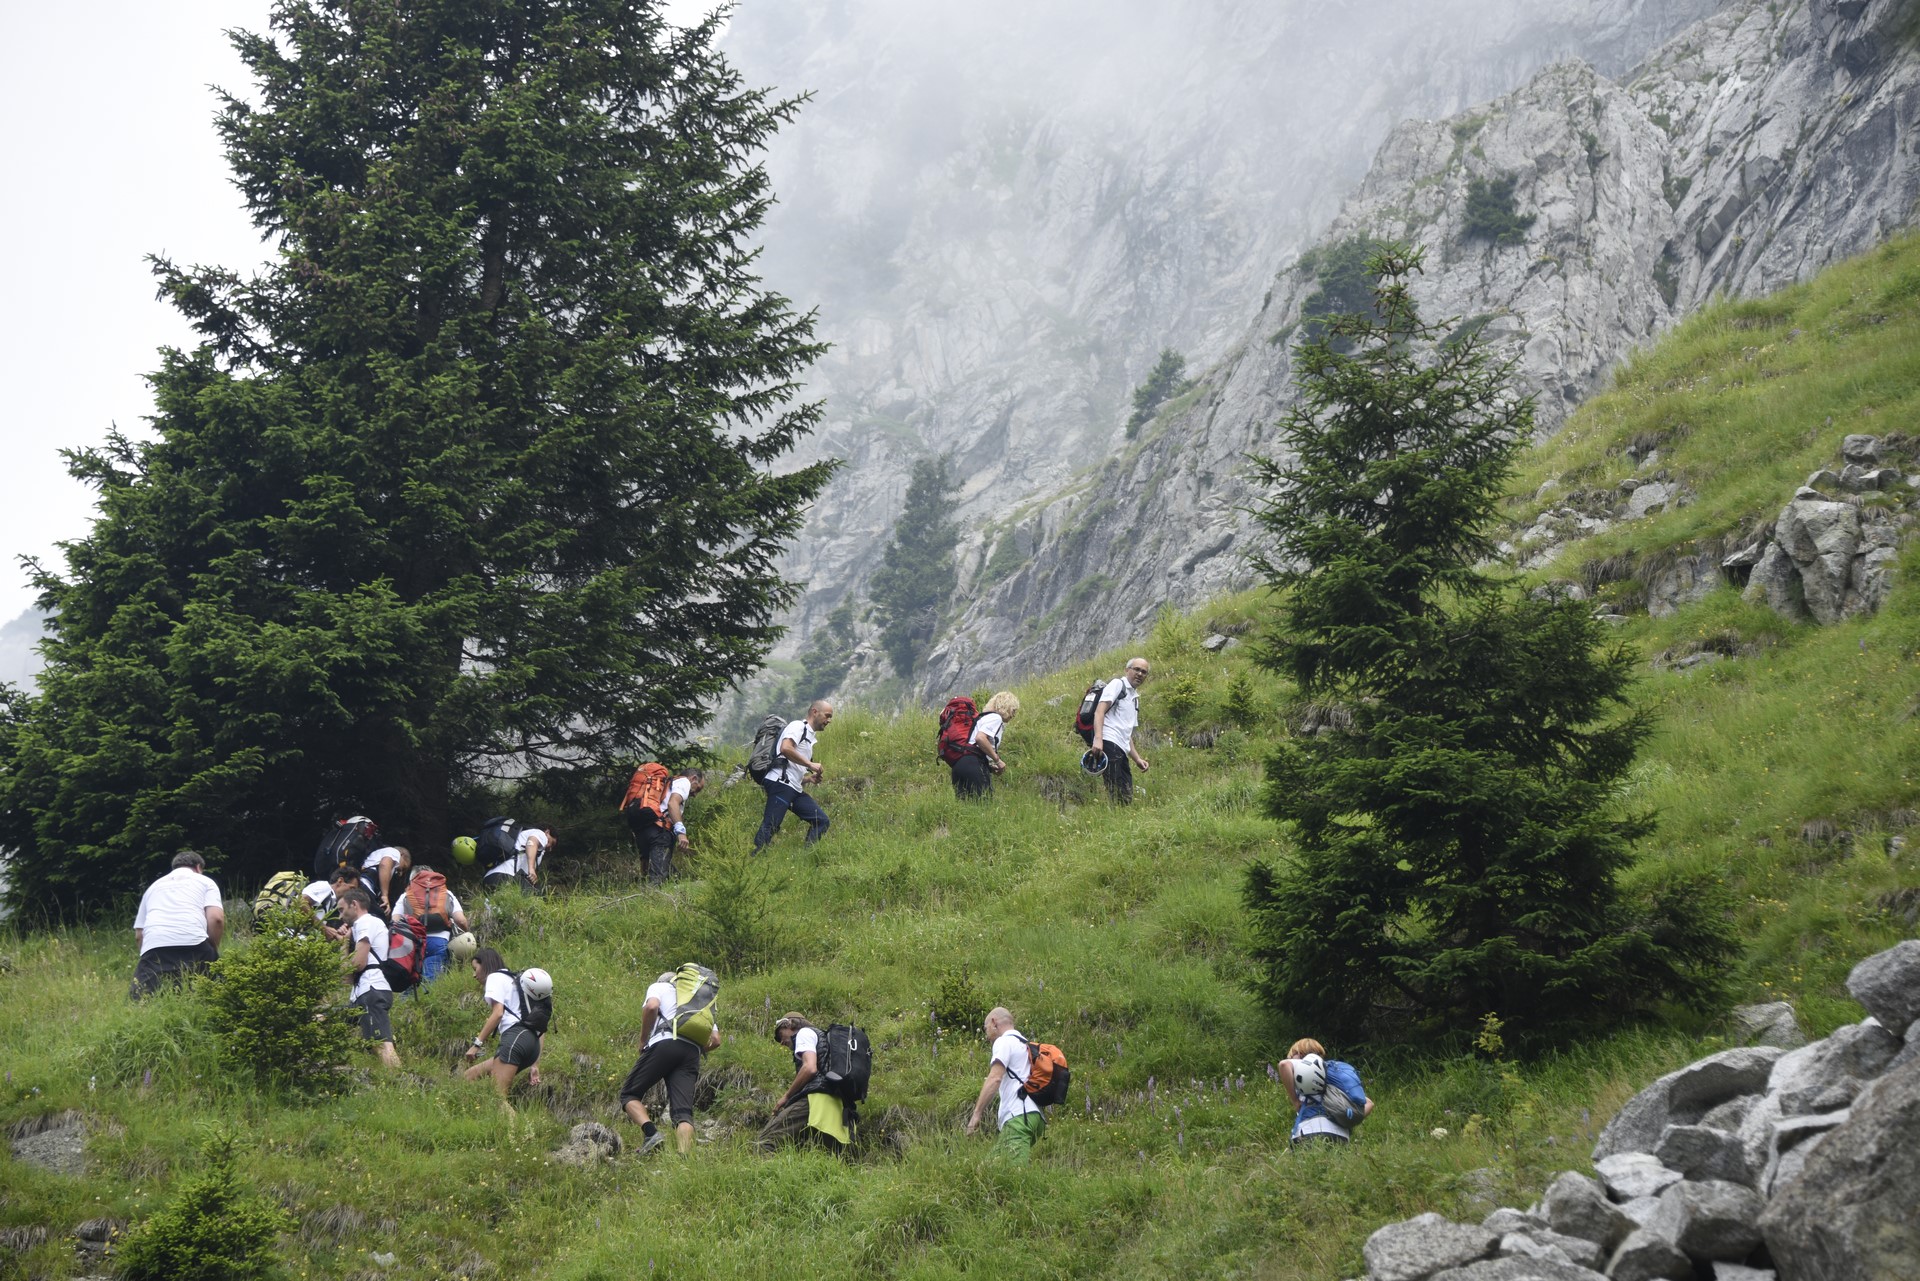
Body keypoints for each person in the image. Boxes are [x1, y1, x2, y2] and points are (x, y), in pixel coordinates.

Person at [618, 969, 722, 1157]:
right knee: (683, 1111)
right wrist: (695, 1050)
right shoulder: (698, 1002)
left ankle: (651, 1134)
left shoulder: (660, 987)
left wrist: (643, 1041)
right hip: (692, 1052)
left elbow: (651, 1007)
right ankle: (684, 1157)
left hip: (665, 1043)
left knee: (629, 1094)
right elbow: (716, 1040)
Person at [130, 850, 225, 999]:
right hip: (195, 942)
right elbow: (216, 918)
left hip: (154, 946)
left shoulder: (152, 887)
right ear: (199, 867)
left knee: (142, 1000)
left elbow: (139, 935)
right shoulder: (205, 881)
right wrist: (212, 949)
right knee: (212, 995)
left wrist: (149, 954)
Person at [757, 1012, 851, 1153]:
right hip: (835, 1105)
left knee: (766, 1141)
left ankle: (764, 1174)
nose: (781, 1042)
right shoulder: (823, 1038)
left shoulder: (804, 1033)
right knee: (834, 1157)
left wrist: (786, 1096)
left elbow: (809, 1068)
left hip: (816, 1099)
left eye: (780, 1035)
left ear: (789, 1024)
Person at [462, 947, 544, 1103]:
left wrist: (477, 1044)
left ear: (485, 965)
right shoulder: (516, 981)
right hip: (531, 1044)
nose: (474, 975)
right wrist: (535, 1064)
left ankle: (514, 1127)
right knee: (469, 1076)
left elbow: (498, 1013)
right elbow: (540, 1025)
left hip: (515, 1039)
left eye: (475, 968)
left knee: (497, 1098)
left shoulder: (495, 977)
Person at [965, 1006, 1046, 1163]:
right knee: (989, 1168)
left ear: (994, 1022)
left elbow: (995, 1078)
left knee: (1015, 1173)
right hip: (1036, 1117)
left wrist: (977, 1113)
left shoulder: (1003, 1042)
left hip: (1019, 1116)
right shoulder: (1026, 1045)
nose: (986, 1035)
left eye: (985, 1028)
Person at [753, 700, 833, 851]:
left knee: (821, 820)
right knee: (771, 825)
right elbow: (785, 748)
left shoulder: (809, 738)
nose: (829, 720)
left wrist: (809, 779)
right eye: (827, 715)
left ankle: (807, 857)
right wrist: (810, 765)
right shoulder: (798, 726)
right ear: (815, 712)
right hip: (780, 784)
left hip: (793, 788)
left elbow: (791, 769)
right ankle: (754, 859)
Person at [338, 888, 401, 1069]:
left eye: (342, 910)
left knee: (381, 1044)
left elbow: (358, 964)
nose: (341, 916)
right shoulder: (364, 926)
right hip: (362, 992)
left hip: (371, 990)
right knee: (328, 1019)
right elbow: (346, 978)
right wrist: (344, 943)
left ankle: (400, 1084)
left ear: (354, 905)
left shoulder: (365, 922)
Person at [1280, 1037, 1373, 1146]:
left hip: (1309, 1130)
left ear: (1300, 1053)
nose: (1291, 1058)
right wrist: (1346, 1118)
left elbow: (1284, 1065)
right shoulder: (1335, 1074)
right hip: (1341, 1137)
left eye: (1292, 1055)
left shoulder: (1304, 1064)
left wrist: (1295, 1101)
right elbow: (1370, 1103)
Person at [1089, 657, 1151, 804]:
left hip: (1121, 749)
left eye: (1144, 672)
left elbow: (1126, 733)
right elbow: (1099, 712)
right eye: (1136, 669)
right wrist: (1098, 739)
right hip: (1109, 743)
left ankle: (1116, 819)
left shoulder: (1134, 698)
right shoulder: (1117, 684)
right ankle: (1111, 821)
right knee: (1117, 792)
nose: (1140, 674)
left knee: (1125, 793)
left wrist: (1137, 759)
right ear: (1127, 670)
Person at [636, 768, 706, 883]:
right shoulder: (684, 782)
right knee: (658, 879)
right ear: (693, 779)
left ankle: (676, 888)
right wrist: (681, 833)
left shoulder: (669, 783)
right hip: (660, 830)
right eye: (698, 789)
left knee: (660, 871)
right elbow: (672, 803)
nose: (695, 794)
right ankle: (653, 895)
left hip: (645, 828)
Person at [403, 867, 469, 981]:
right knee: (432, 981)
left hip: (414, 943)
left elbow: (395, 921)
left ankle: (409, 998)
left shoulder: (406, 895)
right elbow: (461, 920)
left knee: (410, 984)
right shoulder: (446, 893)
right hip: (439, 941)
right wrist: (468, 933)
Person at [952, 692, 1019, 799]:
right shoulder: (995, 718)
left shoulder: (982, 718)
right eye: (1013, 710)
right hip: (973, 763)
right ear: (1006, 707)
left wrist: (989, 767)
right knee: (983, 804)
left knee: (965, 807)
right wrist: (997, 760)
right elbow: (980, 738)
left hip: (958, 765)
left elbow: (973, 744)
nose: (1014, 715)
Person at [482, 824, 553, 894]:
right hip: (505, 876)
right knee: (542, 896)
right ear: (547, 832)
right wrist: (531, 869)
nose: (550, 849)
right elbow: (531, 843)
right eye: (551, 843)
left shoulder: (523, 838)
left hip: (490, 879)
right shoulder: (540, 834)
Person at [359, 843, 412, 920]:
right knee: (380, 916)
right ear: (402, 855)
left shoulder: (380, 855)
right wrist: (384, 895)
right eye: (403, 868)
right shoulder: (394, 852)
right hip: (366, 884)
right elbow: (384, 865)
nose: (400, 873)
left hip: (366, 886)